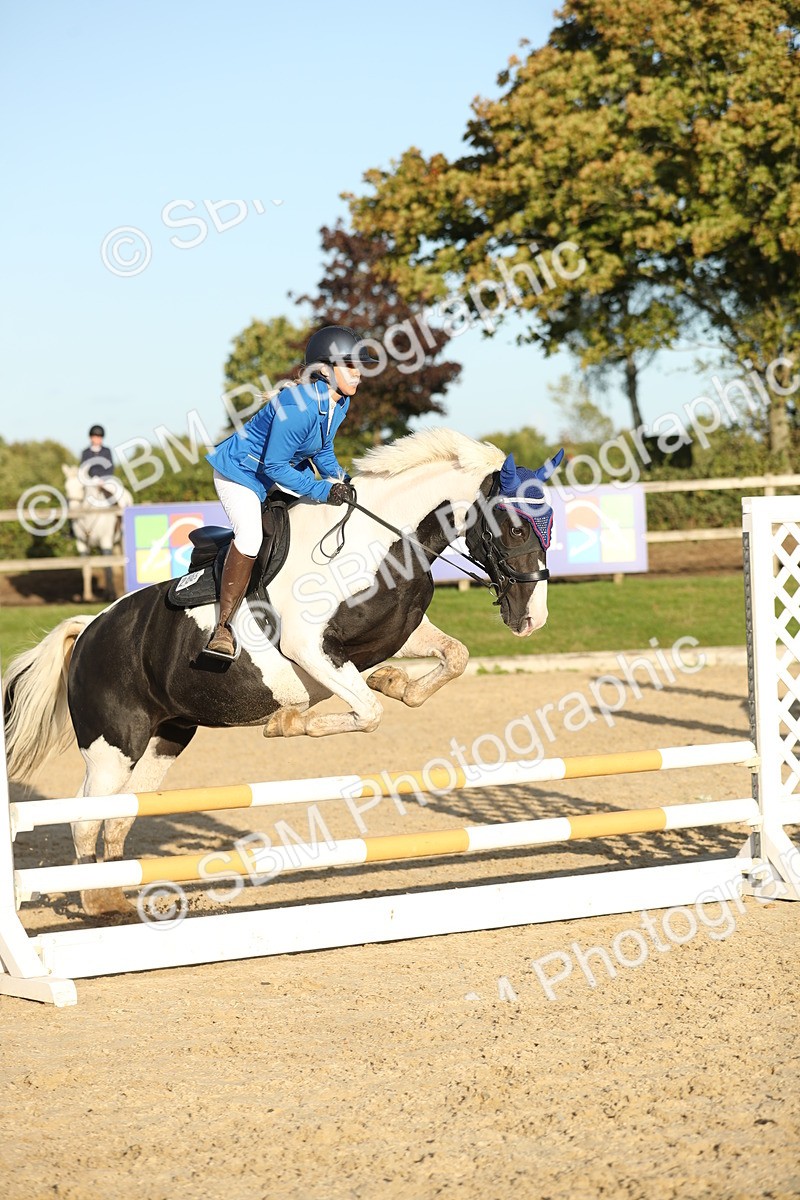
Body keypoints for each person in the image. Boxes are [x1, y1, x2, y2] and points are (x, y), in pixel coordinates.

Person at [204, 324, 378, 656]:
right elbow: (274, 466)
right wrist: (322, 490)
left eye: (359, 366)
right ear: (325, 369)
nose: (359, 374)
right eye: (350, 366)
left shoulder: (339, 403)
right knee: (251, 537)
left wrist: (342, 481)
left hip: (274, 474)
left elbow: (322, 450)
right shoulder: (298, 405)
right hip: (239, 474)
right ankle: (223, 627)